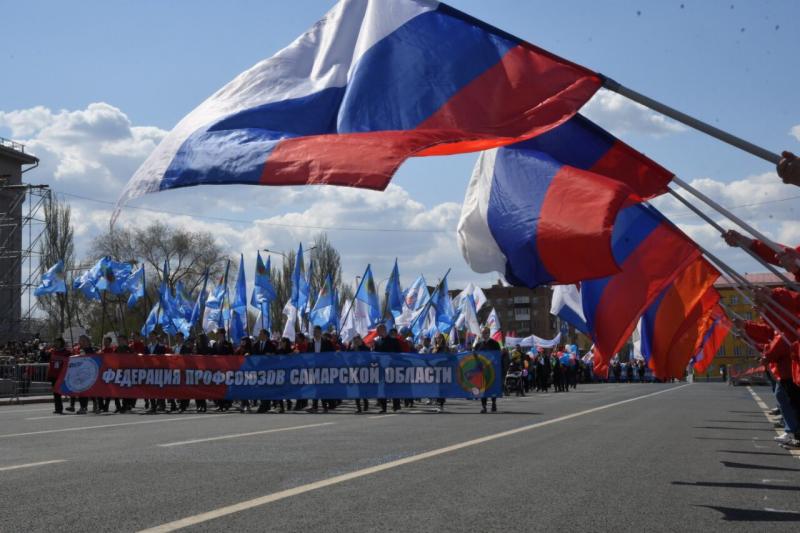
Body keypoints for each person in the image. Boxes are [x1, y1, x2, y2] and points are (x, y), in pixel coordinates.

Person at [373, 323, 402, 413]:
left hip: (392, 367)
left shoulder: (394, 341)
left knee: (394, 387)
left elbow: (399, 354)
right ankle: (383, 407)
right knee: (382, 388)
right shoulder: (377, 342)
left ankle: (396, 405)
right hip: (382, 368)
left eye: (378, 330)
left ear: (383, 330)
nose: (377, 332)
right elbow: (375, 355)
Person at [474, 327, 501, 413]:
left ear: (489, 333)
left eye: (486, 333)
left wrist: (490, 363)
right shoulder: (478, 345)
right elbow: (475, 356)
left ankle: (493, 403)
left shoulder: (495, 344)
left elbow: (497, 356)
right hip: (482, 370)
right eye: (483, 333)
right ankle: (484, 406)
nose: (484, 335)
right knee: (482, 388)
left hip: (492, 369)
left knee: (492, 387)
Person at [308, 325, 335, 413]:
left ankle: (324, 406)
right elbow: (307, 355)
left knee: (322, 388)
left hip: (324, 369)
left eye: (316, 332)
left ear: (320, 332)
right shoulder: (310, 343)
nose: (314, 334)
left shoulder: (327, 342)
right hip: (314, 368)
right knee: (315, 388)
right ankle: (315, 406)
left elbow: (332, 354)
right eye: (313, 332)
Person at [252, 329, 277, 413]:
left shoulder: (271, 345)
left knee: (267, 387)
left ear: (266, 335)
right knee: (260, 388)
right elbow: (253, 355)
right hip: (258, 369)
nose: (259, 335)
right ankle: (264, 404)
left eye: (261, 334)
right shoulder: (255, 345)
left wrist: (271, 355)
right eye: (259, 333)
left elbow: (275, 356)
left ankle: (265, 405)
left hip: (268, 370)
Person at [72, 335, 96, 414]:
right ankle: (83, 407)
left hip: (90, 373)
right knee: (82, 391)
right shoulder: (78, 350)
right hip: (80, 373)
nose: (80, 342)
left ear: (87, 342)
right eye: (80, 340)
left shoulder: (91, 350)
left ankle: (96, 404)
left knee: (92, 390)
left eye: (82, 340)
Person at [145, 331, 167, 413]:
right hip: (150, 370)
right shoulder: (147, 347)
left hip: (159, 370)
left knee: (160, 388)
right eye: (149, 336)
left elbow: (163, 358)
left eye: (152, 336)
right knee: (151, 389)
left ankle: (162, 404)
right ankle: (153, 405)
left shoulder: (161, 347)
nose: (151, 337)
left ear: (155, 337)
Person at [47, 338, 70, 414]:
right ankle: (58, 408)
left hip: (62, 374)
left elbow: (69, 362)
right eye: (55, 342)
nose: (56, 344)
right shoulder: (53, 351)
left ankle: (72, 405)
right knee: (56, 392)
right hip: (54, 374)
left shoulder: (66, 352)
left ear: (61, 343)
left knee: (60, 391)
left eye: (58, 342)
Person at [350, 334, 371, 413]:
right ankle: (358, 407)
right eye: (354, 340)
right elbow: (348, 358)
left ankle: (365, 403)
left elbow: (369, 358)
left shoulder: (366, 348)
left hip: (364, 371)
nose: (356, 341)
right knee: (356, 390)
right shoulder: (352, 349)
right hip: (355, 371)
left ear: (360, 340)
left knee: (363, 389)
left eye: (357, 339)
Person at [113, 334, 134, 413]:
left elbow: (134, 358)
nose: (119, 342)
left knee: (126, 389)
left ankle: (125, 404)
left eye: (120, 340)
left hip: (128, 371)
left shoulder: (129, 349)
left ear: (125, 341)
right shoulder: (117, 349)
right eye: (118, 340)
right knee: (116, 389)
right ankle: (118, 406)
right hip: (118, 371)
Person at [430, 333, 449, 412]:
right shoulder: (434, 348)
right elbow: (431, 357)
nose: (439, 339)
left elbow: (450, 358)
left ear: (443, 339)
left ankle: (441, 405)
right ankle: (438, 403)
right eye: (437, 338)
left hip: (444, 370)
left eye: (440, 338)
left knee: (442, 388)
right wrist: (436, 348)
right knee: (436, 388)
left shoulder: (446, 348)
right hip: (435, 370)